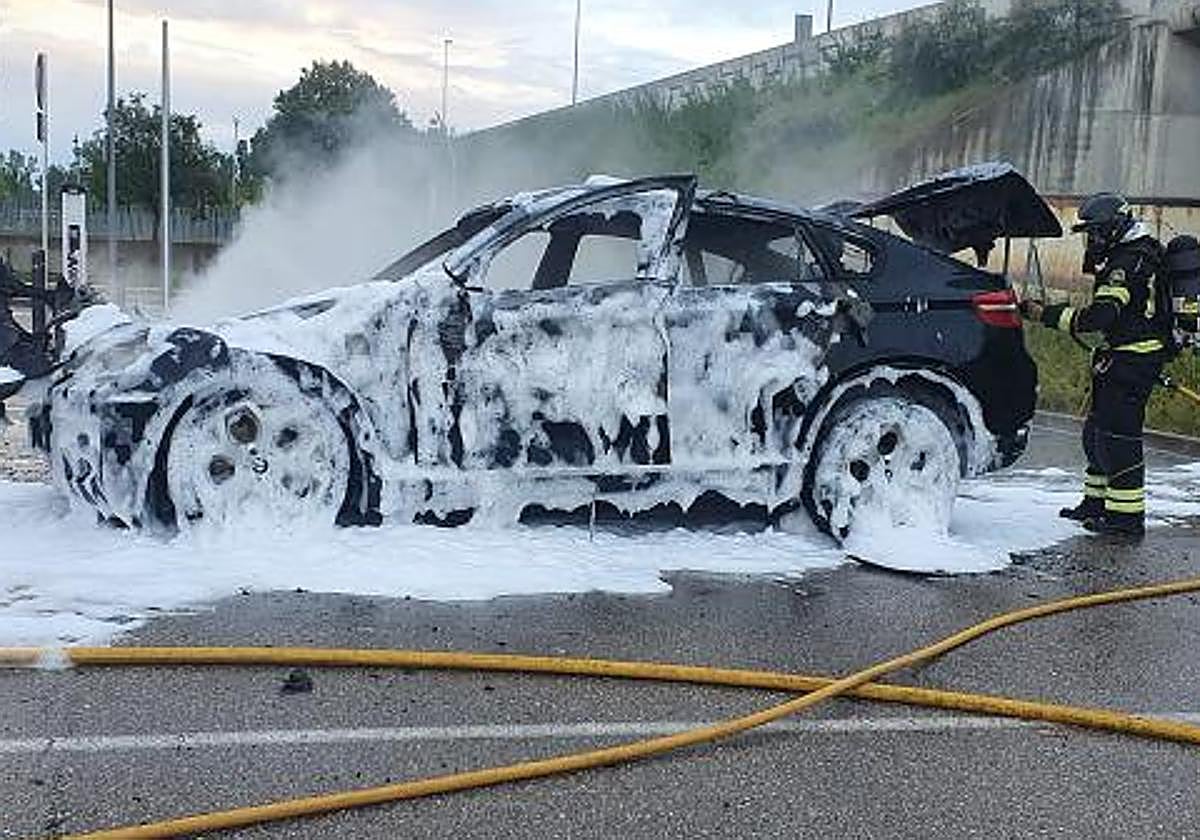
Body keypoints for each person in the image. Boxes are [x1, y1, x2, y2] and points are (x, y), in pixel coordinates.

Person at [1021, 193, 1171, 538]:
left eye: (1096, 232)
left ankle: (1126, 520)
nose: (1093, 240)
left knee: (1119, 438)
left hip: (1134, 360)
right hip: (1118, 356)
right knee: (1096, 434)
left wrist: (1044, 314)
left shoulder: (1127, 263)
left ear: (1113, 229)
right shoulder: (1129, 254)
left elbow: (1099, 317)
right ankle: (1095, 503)